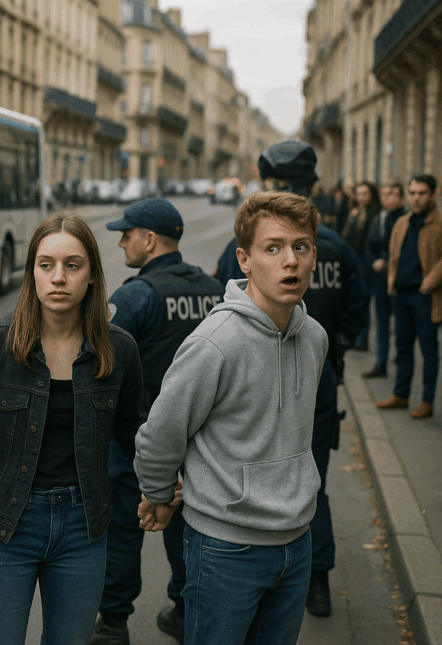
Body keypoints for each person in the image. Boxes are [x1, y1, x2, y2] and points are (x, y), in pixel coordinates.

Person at [0, 212, 145, 645]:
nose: (58, 277)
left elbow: (133, 432)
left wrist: (162, 483)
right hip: (5, 526)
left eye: (73, 265)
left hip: (83, 528)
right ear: (32, 273)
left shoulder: (119, 349)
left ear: (92, 275)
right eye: (46, 265)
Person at [136, 190, 329, 645]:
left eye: (301, 247)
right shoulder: (214, 343)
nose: (290, 261)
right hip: (226, 548)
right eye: (273, 248)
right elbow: (160, 434)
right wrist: (159, 493)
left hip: (297, 541)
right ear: (245, 260)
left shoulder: (315, 337)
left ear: (313, 257)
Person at [211, 140, 367, 617]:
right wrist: (334, 350)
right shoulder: (333, 246)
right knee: (310, 476)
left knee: (251, 474)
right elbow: (358, 311)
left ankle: (254, 574)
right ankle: (315, 578)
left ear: (274, 184)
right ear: (312, 183)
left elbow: (224, 301)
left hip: (256, 379)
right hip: (319, 379)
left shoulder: (248, 245)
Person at [91, 198, 224, 645]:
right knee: (190, 528)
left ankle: (113, 623)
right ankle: (186, 613)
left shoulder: (134, 296)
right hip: (200, 440)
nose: (122, 243)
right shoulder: (214, 290)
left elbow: (100, 366)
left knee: (122, 530)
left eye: (126, 235)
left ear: (149, 240)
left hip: (138, 437)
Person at [377, 174, 442, 420]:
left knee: (428, 350)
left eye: (422, 193)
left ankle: (427, 401)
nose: (416, 198)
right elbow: (394, 255)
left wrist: (431, 280)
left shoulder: (439, 222)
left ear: (434, 194)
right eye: (412, 193)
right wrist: (391, 281)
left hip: (425, 295)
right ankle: (401, 394)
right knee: (402, 347)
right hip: (401, 293)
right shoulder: (402, 222)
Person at [362, 181, 408, 377]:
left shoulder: (406, 220)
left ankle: (401, 363)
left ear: (401, 198)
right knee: (382, 321)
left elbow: (407, 252)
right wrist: (374, 262)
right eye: (385, 194)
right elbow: (369, 246)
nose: (388, 198)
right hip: (380, 280)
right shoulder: (379, 219)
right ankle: (380, 362)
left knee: (402, 325)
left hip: (401, 281)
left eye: (392, 194)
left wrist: (387, 261)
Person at [341, 181, 381, 350]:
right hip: (357, 261)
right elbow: (347, 238)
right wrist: (353, 219)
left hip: (370, 263)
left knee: (369, 302)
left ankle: (363, 339)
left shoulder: (376, 213)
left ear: (371, 195)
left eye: (365, 193)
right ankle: (359, 338)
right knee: (359, 300)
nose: (361, 197)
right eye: (359, 194)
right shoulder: (355, 213)